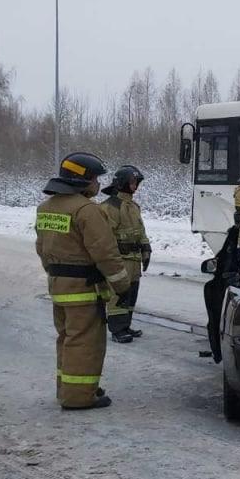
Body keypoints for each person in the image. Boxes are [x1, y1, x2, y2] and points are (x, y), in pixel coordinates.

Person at [35, 153, 133, 411]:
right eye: (95, 178)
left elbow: (42, 249)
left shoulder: (46, 207)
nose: (98, 184)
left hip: (58, 287)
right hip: (84, 290)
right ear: (83, 179)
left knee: (67, 339)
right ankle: (79, 397)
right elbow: (106, 253)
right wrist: (123, 287)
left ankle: (68, 389)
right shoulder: (86, 210)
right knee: (85, 343)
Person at [99, 164, 151, 344]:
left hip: (134, 260)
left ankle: (126, 324)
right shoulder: (109, 207)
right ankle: (117, 329)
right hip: (120, 259)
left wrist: (146, 249)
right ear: (122, 183)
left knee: (131, 293)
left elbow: (140, 231)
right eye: (132, 182)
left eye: (137, 182)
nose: (135, 186)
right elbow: (104, 236)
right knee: (118, 294)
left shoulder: (133, 206)